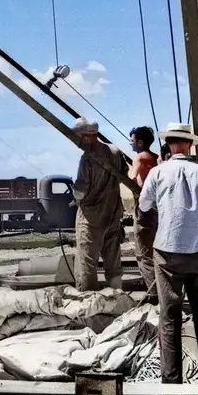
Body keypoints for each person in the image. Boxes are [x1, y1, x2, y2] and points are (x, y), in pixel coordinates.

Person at [138, 122, 198, 390]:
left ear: (168, 145)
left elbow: (144, 206)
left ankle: (172, 384)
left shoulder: (157, 172)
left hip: (167, 253)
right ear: (190, 145)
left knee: (169, 318)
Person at [72, 117, 125, 292]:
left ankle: (88, 301)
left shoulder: (87, 158)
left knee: (86, 262)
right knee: (113, 261)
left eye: (78, 137)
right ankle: (117, 295)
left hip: (91, 218)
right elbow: (123, 175)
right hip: (113, 214)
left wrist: (75, 197)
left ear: (86, 136)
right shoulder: (115, 151)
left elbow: (80, 191)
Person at [129, 125, 160, 304]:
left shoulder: (140, 157)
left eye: (132, 141)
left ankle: (154, 294)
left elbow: (132, 177)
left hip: (143, 207)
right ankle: (159, 289)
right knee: (156, 250)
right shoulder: (156, 158)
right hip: (157, 208)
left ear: (140, 142)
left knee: (143, 254)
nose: (131, 144)